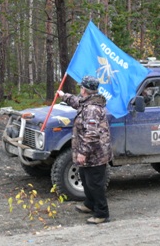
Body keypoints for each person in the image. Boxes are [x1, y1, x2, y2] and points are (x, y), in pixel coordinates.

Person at [57, 75, 112, 224]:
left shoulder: (92, 109)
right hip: (90, 153)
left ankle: (102, 213)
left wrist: (82, 153)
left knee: (95, 183)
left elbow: (92, 134)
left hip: (96, 154)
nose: (80, 89)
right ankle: (89, 204)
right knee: (86, 179)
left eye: (81, 87)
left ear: (85, 90)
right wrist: (64, 96)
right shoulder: (86, 102)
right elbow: (76, 102)